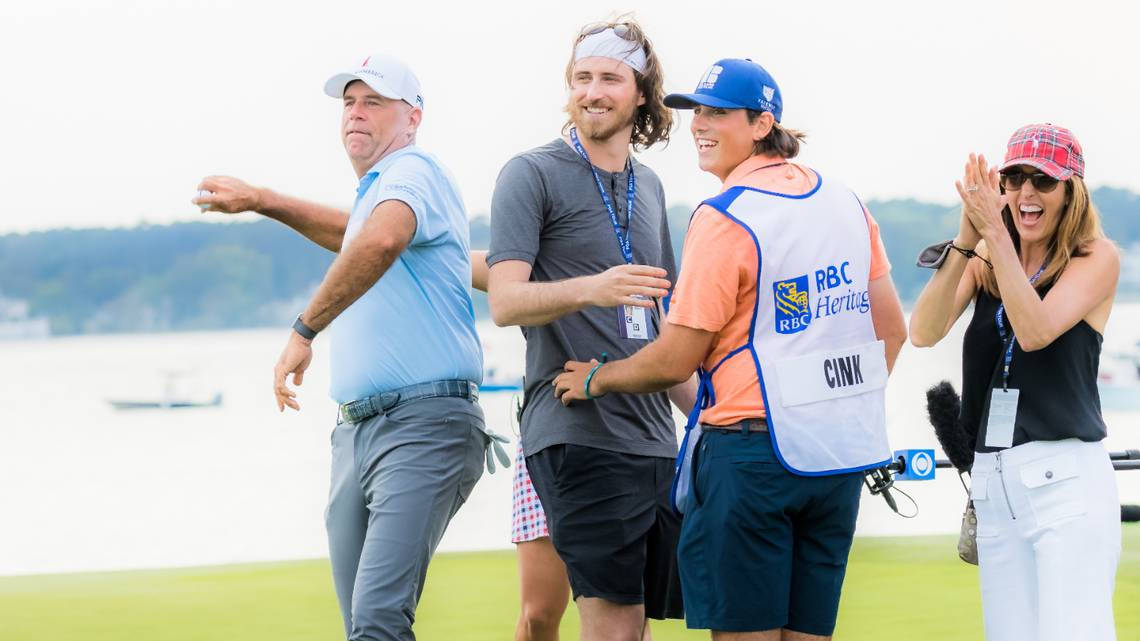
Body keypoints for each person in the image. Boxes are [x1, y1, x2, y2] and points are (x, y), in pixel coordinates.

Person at [554, 58, 907, 641]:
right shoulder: (847, 203)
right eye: (695, 112)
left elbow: (674, 361)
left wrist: (598, 379)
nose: (699, 124)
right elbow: (889, 332)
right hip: (836, 457)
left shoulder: (724, 217)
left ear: (763, 123)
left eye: (718, 113)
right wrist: (835, 406)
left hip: (749, 459)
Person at [194, 54, 496, 641]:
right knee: (363, 626)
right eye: (349, 103)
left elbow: (379, 239)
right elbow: (355, 231)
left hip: (422, 423)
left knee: (379, 620)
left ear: (412, 117)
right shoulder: (380, 191)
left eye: (373, 102)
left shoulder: (414, 169)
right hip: (357, 432)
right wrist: (263, 199)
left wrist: (305, 329)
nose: (356, 114)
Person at [486, 19, 692, 641]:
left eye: (609, 77)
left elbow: (668, 327)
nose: (592, 91)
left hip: (656, 440)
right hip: (577, 432)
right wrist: (591, 288)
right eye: (582, 78)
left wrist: (713, 415)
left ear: (641, 92)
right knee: (613, 627)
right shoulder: (531, 173)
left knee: (642, 629)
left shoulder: (651, 186)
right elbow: (504, 300)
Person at [908, 124, 1121, 641]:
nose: (1026, 193)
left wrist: (995, 237)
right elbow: (922, 331)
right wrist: (966, 239)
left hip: (1064, 477)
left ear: (1071, 191)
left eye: (1043, 181)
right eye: (1014, 178)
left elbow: (1035, 331)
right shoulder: (984, 261)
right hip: (994, 480)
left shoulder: (1096, 258)